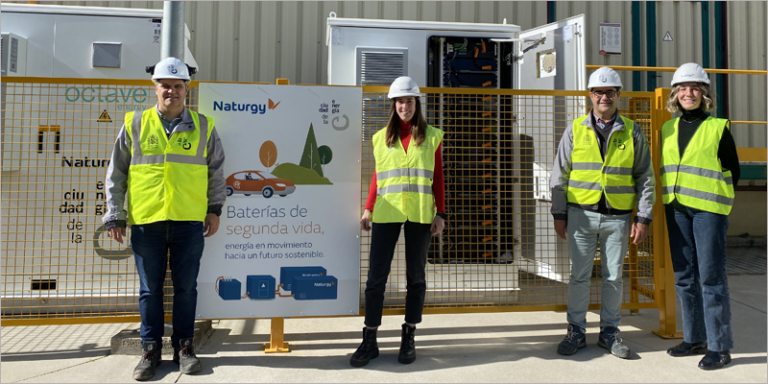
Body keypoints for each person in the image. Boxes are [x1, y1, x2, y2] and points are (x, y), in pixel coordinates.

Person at [103, 57, 226, 381]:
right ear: (155, 88)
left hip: (188, 221)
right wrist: (116, 215)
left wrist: (215, 208)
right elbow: (116, 173)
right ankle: (150, 350)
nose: (171, 91)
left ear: (187, 89)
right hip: (147, 221)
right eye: (165, 85)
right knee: (149, 291)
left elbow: (216, 172)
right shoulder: (136, 123)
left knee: (186, 288)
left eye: (177, 85)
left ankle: (184, 348)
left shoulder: (204, 126)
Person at [550, 66, 656, 359]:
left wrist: (643, 217)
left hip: (618, 217)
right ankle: (576, 331)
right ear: (590, 95)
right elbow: (560, 175)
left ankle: (610, 332)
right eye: (599, 92)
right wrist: (559, 214)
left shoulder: (632, 131)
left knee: (613, 277)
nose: (604, 97)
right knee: (579, 276)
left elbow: (645, 176)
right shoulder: (575, 129)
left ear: (618, 94)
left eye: (610, 92)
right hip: (581, 216)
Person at [350, 76, 446, 367]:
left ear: (417, 104)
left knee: (416, 277)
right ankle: (369, 338)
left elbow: (438, 177)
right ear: (393, 105)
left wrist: (441, 212)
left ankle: (409, 334)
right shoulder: (381, 138)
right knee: (375, 278)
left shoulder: (432, 136)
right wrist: (367, 209)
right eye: (400, 101)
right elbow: (379, 177)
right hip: (387, 212)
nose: (405, 106)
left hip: (419, 213)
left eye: (410, 101)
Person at [661, 63, 739, 370]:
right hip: (677, 207)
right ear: (675, 95)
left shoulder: (717, 127)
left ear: (703, 93)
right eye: (682, 88)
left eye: (694, 88)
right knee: (683, 278)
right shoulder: (668, 128)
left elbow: (734, 170)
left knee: (711, 278)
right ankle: (694, 338)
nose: (688, 94)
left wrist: (718, 202)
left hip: (708, 210)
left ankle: (719, 346)